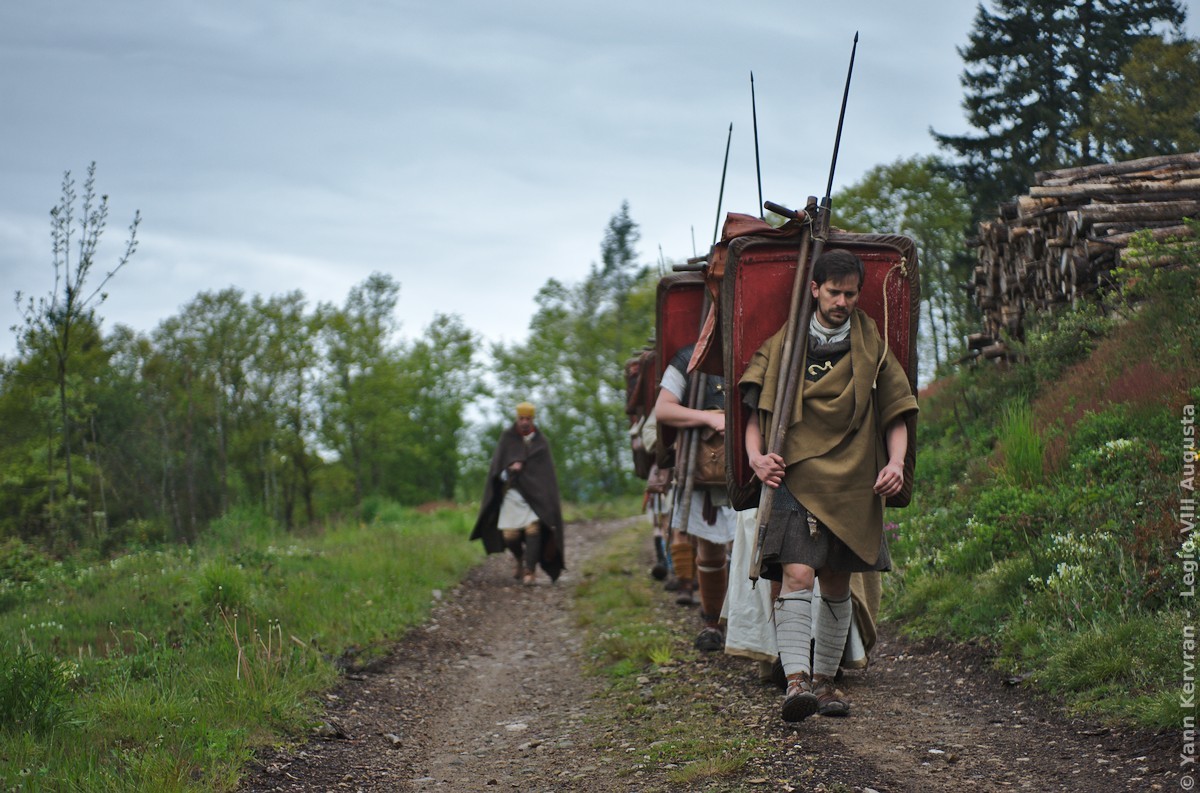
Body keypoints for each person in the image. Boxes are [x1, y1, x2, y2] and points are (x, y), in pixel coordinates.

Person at [739, 249, 918, 722]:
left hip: (855, 476)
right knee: (797, 575)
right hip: (794, 474)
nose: (842, 302)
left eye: (851, 294)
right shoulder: (785, 344)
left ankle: (825, 681)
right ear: (814, 289)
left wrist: (896, 462)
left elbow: (896, 411)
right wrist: (756, 459)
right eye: (834, 292)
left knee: (837, 580)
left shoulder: (872, 345)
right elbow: (755, 411)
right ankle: (796, 682)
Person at [654, 344, 737, 652]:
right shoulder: (689, 357)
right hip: (706, 471)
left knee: (753, 552)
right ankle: (712, 622)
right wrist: (709, 418)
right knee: (710, 550)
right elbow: (664, 409)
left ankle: (751, 629)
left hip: (751, 468)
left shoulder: (757, 348)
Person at [470, 401, 565, 585]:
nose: (524, 422)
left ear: (532, 419)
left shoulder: (541, 443)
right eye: (521, 418)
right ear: (517, 418)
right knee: (510, 535)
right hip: (512, 494)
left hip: (535, 498)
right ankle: (519, 558)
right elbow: (497, 471)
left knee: (533, 529)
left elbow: (546, 477)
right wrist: (510, 468)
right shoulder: (507, 438)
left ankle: (530, 570)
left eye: (528, 419)